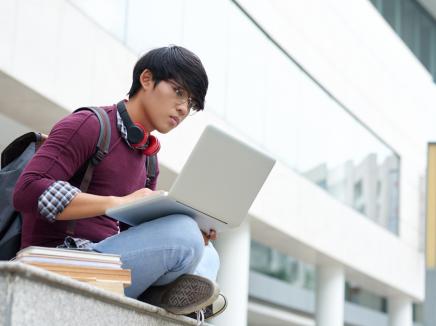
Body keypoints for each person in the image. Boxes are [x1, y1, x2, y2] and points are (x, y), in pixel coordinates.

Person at [13, 45, 225, 320]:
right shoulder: (89, 124)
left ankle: (165, 296)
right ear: (146, 79)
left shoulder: (148, 158)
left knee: (207, 252)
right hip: (61, 261)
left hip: (109, 265)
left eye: (192, 103)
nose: (184, 108)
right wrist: (117, 203)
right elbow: (27, 190)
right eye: (179, 92)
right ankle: (160, 297)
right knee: (183, 235)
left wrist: (196, 231)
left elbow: (133, 232)